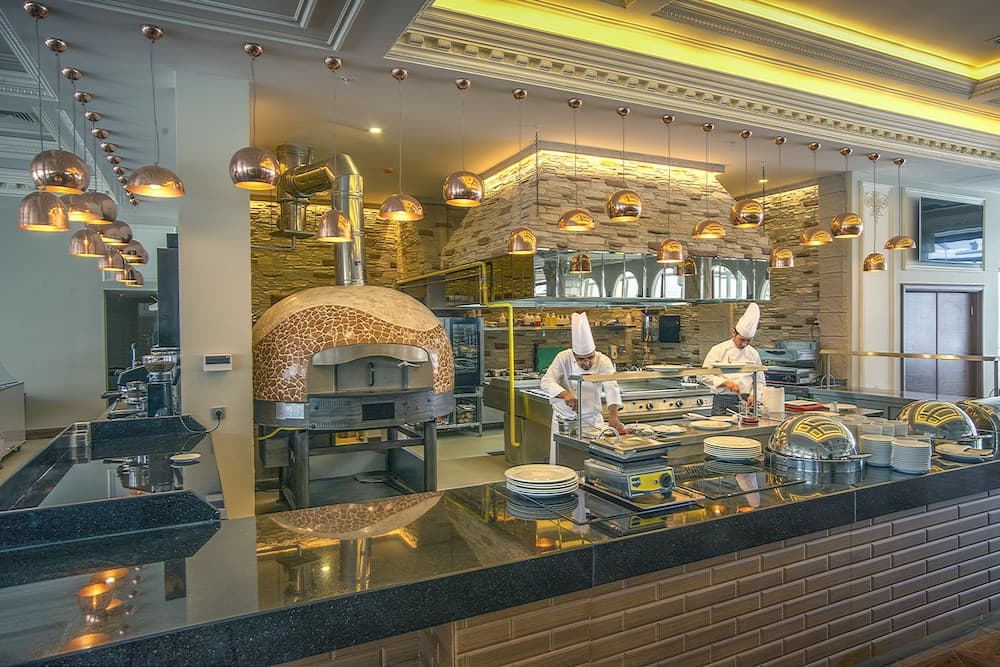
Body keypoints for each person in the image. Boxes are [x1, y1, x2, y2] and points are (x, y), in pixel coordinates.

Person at [540, 312, 624, 464]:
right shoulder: (563, 358)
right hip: (565, 422)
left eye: (590, 357)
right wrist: (566, 394)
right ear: (573, 354)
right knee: (563, 464)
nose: (587, 363)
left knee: (593, 464)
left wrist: (613, 416)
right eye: (581, 359)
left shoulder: (603, 360)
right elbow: (546, 381)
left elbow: (611, 387)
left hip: (592, 421)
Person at [699, 302, 766, 416]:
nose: (744, 344)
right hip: (722, 400)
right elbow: (703, 376)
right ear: (733, 333)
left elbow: (760, 380)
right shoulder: (718, 349)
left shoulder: (753, 353)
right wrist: (725, 383)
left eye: (748, 341)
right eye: (742, 339)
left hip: (746, 401)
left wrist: (754, 395)